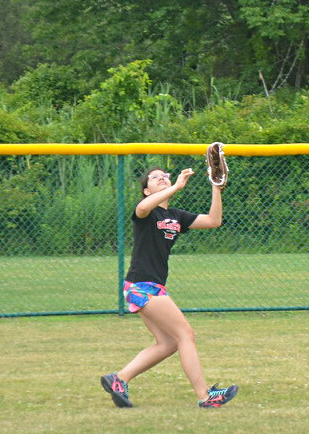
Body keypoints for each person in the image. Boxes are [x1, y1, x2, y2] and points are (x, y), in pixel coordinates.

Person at [101, 167, 238, 408]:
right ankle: (205, 397)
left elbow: (213, 221)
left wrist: (216, 187)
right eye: (155, 177)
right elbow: (142, 208)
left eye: (165, 175)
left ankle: (119, 379)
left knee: (169, 343)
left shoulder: (176, 216)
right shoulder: (146, 212)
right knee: (186, 335)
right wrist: (176, 186)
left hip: (151, 286)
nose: (162, 177)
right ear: (146, 190)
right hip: (141, 285)